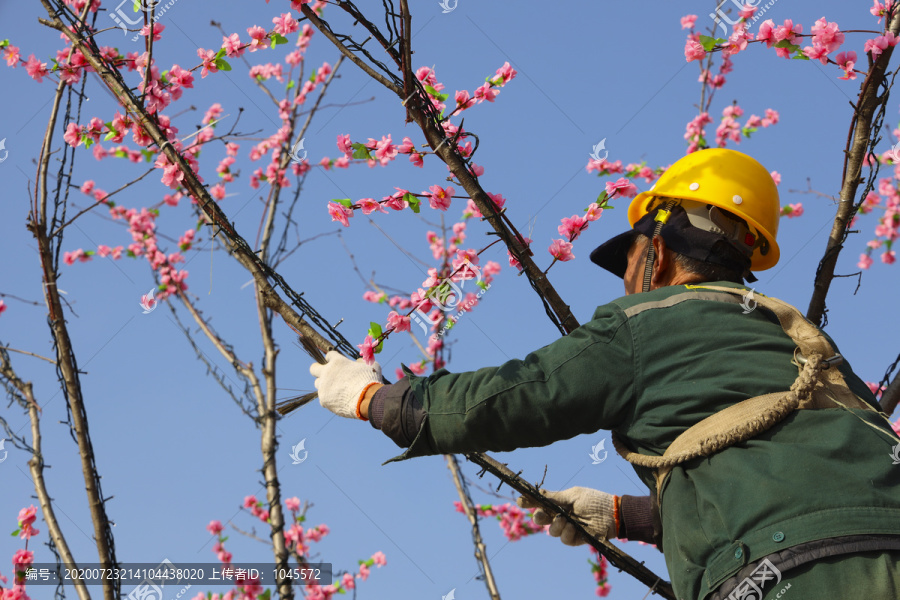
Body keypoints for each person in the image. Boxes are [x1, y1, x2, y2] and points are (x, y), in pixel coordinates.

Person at [310, 148, 900, 599]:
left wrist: (374, 399)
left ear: (659, 252)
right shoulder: (800, 343)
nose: (624, 284)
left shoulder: (647, 321)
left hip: (797, 575)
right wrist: (626, 515)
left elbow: (513, 397)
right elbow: (800, 476)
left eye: (629, 261)